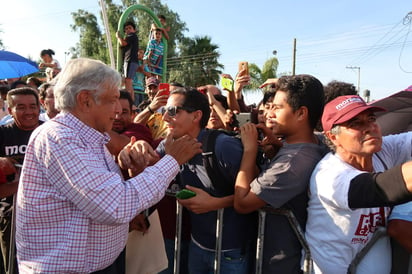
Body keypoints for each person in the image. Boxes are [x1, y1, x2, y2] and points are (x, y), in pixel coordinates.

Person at [15, 58, 202, 273]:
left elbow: (99, 191)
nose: (118, 109)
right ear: (85, 100)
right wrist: (172, 161)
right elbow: (115, 205)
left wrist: (124, 159)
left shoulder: (89, 138)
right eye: (113, 99)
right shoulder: (59, 138)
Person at [306, 95, 412, 274]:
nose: (370, 127)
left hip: (368, 252)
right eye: (356, 123)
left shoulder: (381, 151)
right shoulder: (330, 175)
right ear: (333, 137)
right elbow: (383, 188)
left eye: (371, 119)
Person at [234, 74, 329, 273]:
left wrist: (250, 150)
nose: (269, 114)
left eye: (277, 108)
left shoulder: (292, 163)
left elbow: (242, 203)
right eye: (269, 107)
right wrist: (276, 149)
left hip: (280, 262)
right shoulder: (314, 144)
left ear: (301, 113)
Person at [0, 87, 42, 273]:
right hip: (12, 213)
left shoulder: (49, 132)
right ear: (10, 111)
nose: (29, 112)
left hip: (47, 214)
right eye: (21, 107)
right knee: (14, 267)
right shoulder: (3, 134)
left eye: (33, 106)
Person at [106, 90, 154, 156]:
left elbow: (117, 146)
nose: (117, 117)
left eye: (124, 112)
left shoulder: (140, 130)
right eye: (114, 111)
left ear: (132, 114)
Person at [134, 77, 169, 141]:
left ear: (160, 89)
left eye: (155, 88)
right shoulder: (143, 107)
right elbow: (136, 125)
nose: (152, 91)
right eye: (149, 88)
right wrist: (150, 108)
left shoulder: (169, 104)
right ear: (146, 90)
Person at [116, 21, 139, 101]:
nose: (128, 30)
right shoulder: (133, 38)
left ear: (134, 30)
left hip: (130, 60)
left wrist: (118, 37)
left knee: (128, 83)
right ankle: (131, 102)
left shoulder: (131, 36)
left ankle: (128, 102)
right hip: (132, 61)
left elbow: (123, 43)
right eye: (126, 29)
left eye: (130, 28)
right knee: (129, 83)